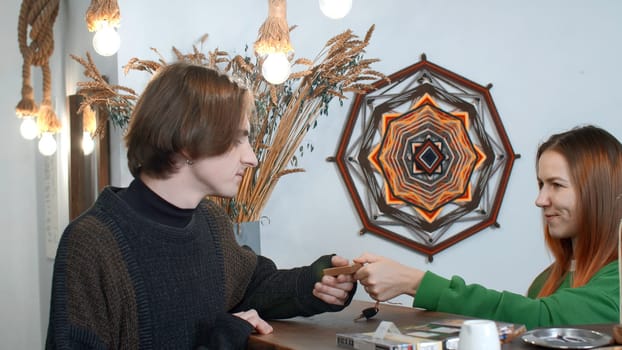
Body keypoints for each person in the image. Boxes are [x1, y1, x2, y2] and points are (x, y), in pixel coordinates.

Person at [46, 62, 356, 349]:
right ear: (187, 141)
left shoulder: (210, 221)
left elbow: (253, 285)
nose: (252, 158)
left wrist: (318, 281)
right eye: (237, 140)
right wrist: (222, 340)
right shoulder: (90, 244)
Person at [354, 125, 622, 330]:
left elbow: (542, 319)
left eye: (557, 185)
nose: (541, 200)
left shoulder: (617, 281)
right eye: (541, 184)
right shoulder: (548, 279)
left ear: (600, 193)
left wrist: (413, 282)